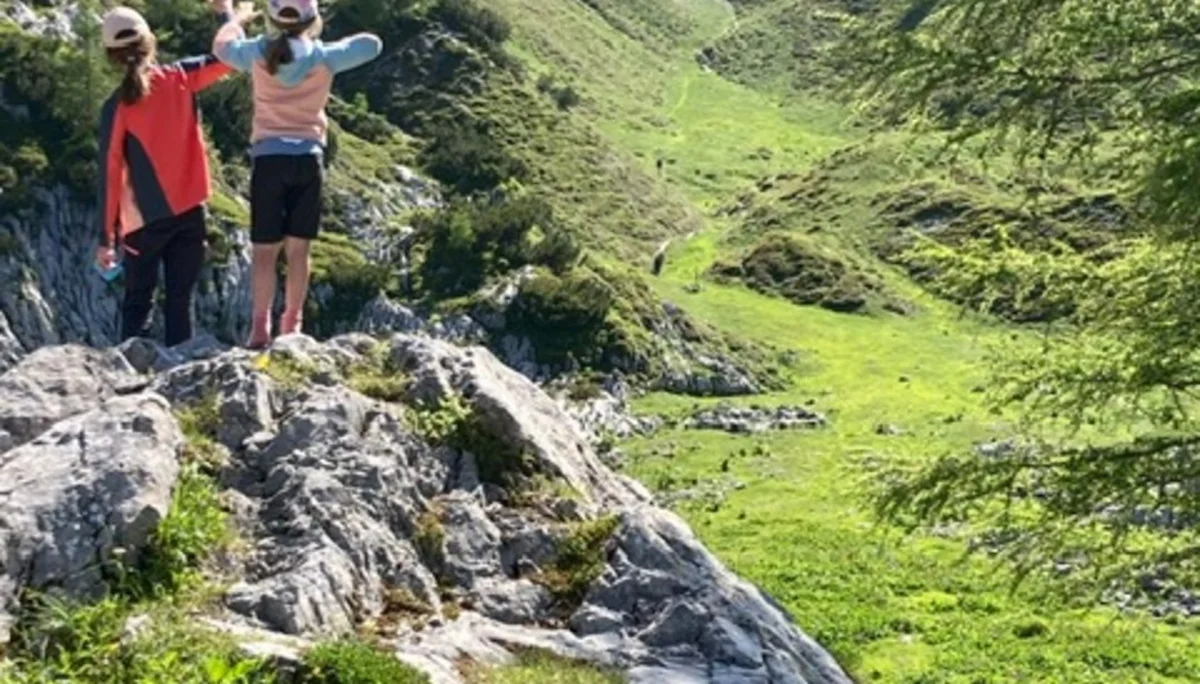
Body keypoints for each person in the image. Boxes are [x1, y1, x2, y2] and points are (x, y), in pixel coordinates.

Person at [213, 0, 383, 349]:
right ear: (313, 19)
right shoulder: (323, 57)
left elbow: (221, 47)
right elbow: (372, 44)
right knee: (298, 250)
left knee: (263, 252)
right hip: (307, 158)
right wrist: (324, 44)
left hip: (268, 158)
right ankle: (292, 322)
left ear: (273, 20)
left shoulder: (257, 53)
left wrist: (235, 18)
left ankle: (259, 328)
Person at [96, 3, 235, 347]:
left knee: (137, 305)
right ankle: (178, 379)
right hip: (190, 212)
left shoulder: (116, 107)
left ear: (111, 56)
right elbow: (231, 56)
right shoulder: (182, 77)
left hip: (143, 223)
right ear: (151, 42)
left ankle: (128, 377)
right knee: (180, 303)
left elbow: (110, 173)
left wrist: (106, 237)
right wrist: (225, 14)